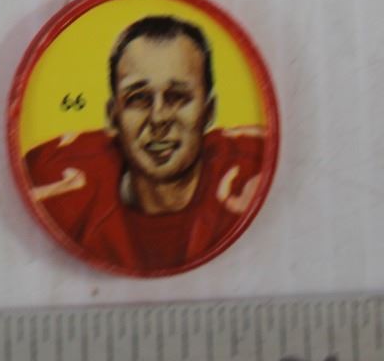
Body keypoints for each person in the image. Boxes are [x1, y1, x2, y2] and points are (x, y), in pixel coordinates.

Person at [23, 15, 267, 274]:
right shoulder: (57, 182)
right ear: (113, 116)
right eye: (138, 98)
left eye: (177, 96)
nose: (158, 118)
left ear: (209, 112)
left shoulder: (253, 168)